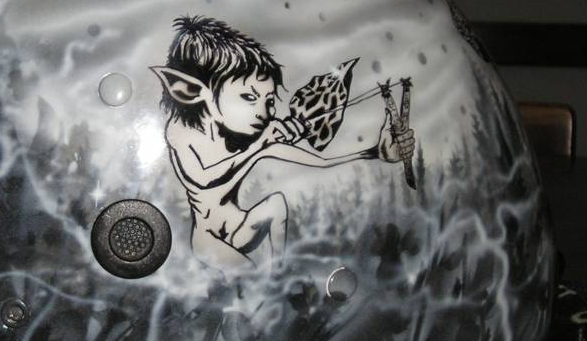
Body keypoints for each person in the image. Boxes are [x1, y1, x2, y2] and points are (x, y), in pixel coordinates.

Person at [151, 15, 415, 276]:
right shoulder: (180, 131)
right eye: (248, 97)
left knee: (276, 205)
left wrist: (373, 153)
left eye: (268, 101)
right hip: (208, 237)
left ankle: (278, 272)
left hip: (239, 224)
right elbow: (204, 178)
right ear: (195, 92)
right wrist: (259, 145)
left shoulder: (248, 136)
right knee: (249, 274)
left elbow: (320, 162)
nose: (265, 113)